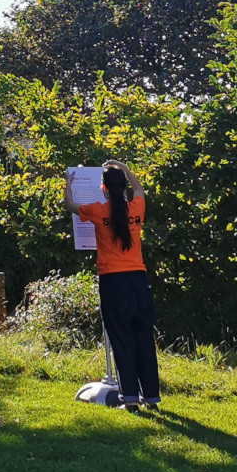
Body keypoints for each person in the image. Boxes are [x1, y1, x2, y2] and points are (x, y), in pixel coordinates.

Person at [64, 159, 160, 411]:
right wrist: (125, 168)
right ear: (124, 187)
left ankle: (129, 398)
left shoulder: (98, 210)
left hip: (112, 280)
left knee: (121, 337)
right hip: (139, 280)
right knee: (143, 338)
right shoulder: (137, 208)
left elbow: (70, 205)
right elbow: (139, 191)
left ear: (104, 189)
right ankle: (151, 397)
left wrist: (69, 183)